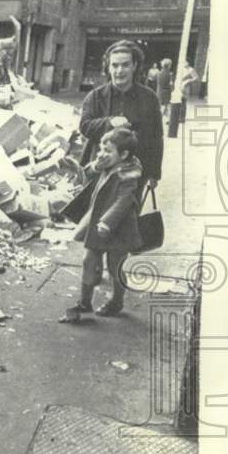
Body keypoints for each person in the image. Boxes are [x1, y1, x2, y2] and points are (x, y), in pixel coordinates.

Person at [61, 127, 144, 322]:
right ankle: (85, 301)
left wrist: (107, 222)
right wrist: (96, 165)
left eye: (108, 150)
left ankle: (116, 301)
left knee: (115, 266)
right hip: (97, 222)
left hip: (119, 227)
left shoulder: (129, 174)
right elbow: (88, 175)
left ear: (124, 155)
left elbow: (124, 201)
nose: (102, 154)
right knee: (89, 261)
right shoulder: (108, 164)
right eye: (101, 149)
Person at [78, 40, 163, 193]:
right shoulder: (95, 96)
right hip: (99, 171)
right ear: (108, 67)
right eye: (115, 65)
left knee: (128, 208)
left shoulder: (150, 98)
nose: (119, 70)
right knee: (94, 207)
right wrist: (109, 122)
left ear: (134, 66)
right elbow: (84, 126)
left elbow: (156, 138)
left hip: (135, 174)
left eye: (125, 65)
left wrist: (154, 173)